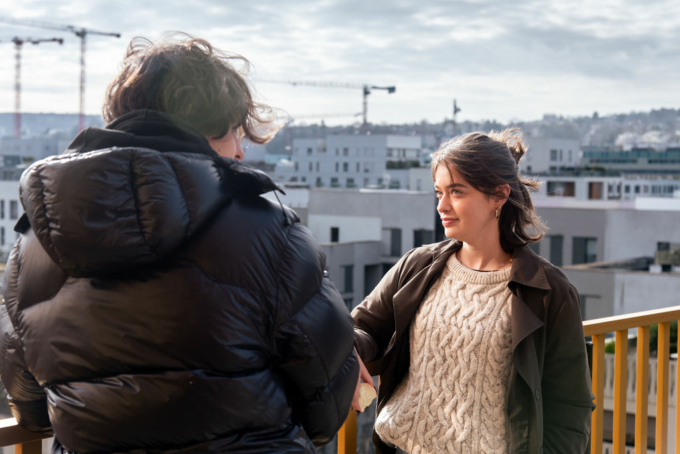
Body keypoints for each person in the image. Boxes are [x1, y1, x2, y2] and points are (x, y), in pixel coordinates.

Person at [0, 34, 359, 453]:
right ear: (206, 129)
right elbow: (325, 403)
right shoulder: (268, 229)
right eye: (234, 133)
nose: (240, 152)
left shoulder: (34, 244)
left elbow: (30, 405)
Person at [352, 129, 595, 454]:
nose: (442, 205)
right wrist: (349, 351)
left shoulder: (549, 291)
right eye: (438, 192)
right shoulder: (418, 265)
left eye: (456, 192)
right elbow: (363, 327)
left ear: (498, 195)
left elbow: (570, 411)